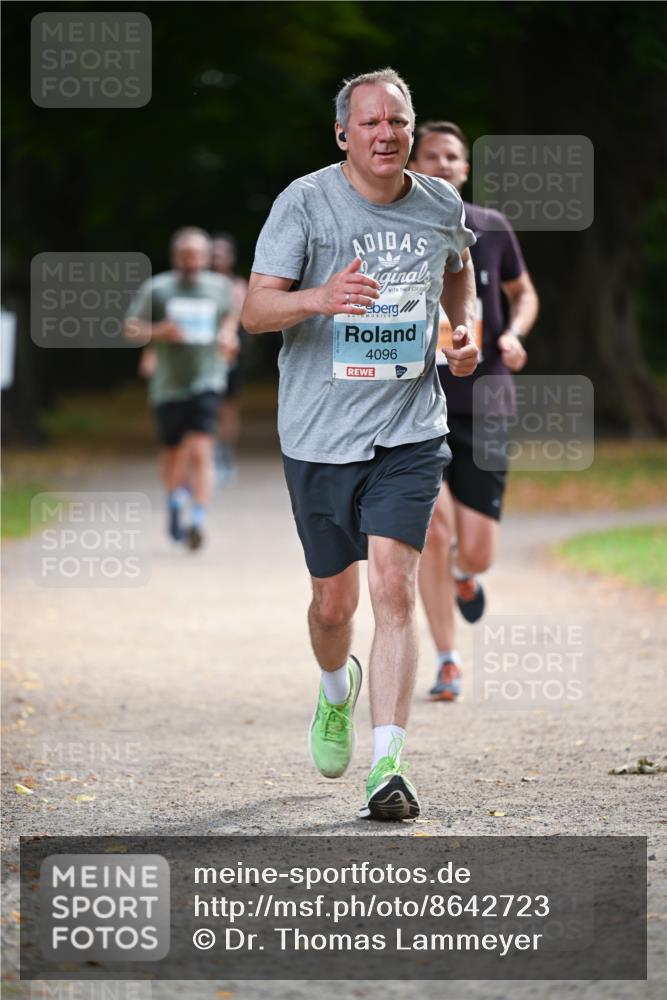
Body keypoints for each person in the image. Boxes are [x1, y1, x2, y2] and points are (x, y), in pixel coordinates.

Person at [241, 69, 478, 820]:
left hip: (409, 430)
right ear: (343, 133)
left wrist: (461, 330)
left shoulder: (440, 202)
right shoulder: (304, 203)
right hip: (318, 432)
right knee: (332, 602)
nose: (386, 135)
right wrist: (319, 297)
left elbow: (457, 270)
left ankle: (388, 767)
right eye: (370, 123)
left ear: (412, 130)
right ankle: (335, 688)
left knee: (390, 590)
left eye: (398, 123)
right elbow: (253, 310)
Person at [409, 122, 539, 700]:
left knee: (477, 549)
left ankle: (466, 575)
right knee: (432, 533)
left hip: (485, 400)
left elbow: (524, 293)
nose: (442, 163)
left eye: (452, 157)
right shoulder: (395, 227)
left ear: (465, 169)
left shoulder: (490, 227)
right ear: (414, 163)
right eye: (431, 155)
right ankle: (447, 658)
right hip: (414, 403)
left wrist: (513, 334)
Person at [125, 227, 239, 550]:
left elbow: (231, 318)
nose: (192, 261)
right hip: (168, 385)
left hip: (208, 379)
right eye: (185, 255)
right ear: (176, 256)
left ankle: (199, 519)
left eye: (197, 255)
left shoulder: (219, 287)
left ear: (205, 257)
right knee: (173, 454)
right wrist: (159, 331)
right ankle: (175, 501)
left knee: (202, 451)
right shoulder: (157, 288)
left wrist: (228, 337)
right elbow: (131, 328)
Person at [211, 233, 248, 485]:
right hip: (202, 351)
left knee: (228, 406)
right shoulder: (199, 283)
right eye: (214, 253)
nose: (217, 258)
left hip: (230, 350)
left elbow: (243, 316)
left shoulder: (237, 284)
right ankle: (210, 452)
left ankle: (225, 453)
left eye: (222, 253)